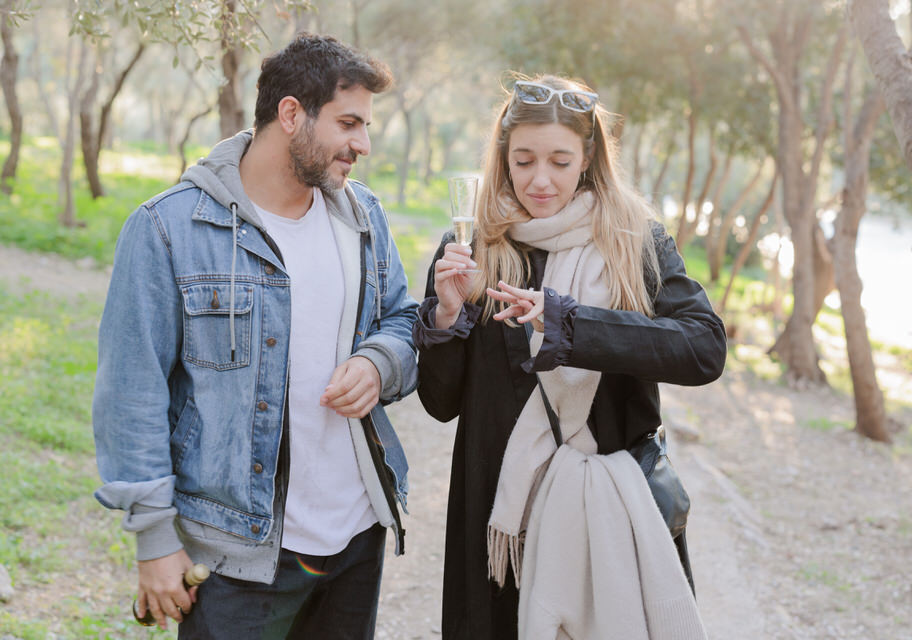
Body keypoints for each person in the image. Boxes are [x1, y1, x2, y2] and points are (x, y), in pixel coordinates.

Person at [92, 33, 419, 639]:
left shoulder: (363, 217)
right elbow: (131, 396)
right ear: (292, 113)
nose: (363, 145)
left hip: (355, 536)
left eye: (366, 127)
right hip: (236, 554)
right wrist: (155, 542)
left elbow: (403, 319)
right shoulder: (167, 229)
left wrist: (379, 362)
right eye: (349, 123)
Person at [413, 75, 727, 639]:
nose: (540, 179)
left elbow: (703, 348)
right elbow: (439, 403)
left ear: (587, 159)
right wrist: (444, 317)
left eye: (560, 161)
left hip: (610, 515)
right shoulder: (474, 245)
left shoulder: (635, 240)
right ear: (503, 159)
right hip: (500, 522)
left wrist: (570, 324)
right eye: (524, 160)